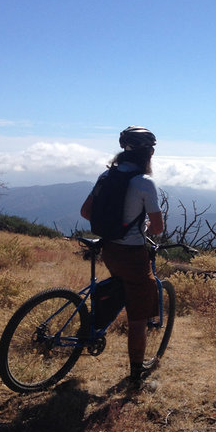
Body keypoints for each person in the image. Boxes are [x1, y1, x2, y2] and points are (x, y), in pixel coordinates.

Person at [80, 125, 163, 385]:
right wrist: (142, 227)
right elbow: (158, 227)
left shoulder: (107, 176)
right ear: (148, 153)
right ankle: (136, 377)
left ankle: (95, 323)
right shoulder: (144, 182)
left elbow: (85, 212)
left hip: (109, 249)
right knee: (138, 319)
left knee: (119, 286)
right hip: (133, 254)